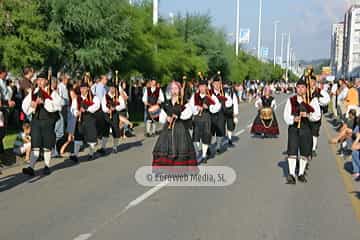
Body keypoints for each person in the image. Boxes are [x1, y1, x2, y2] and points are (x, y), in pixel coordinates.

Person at [22, 70, 63, 176]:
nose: (39, 82)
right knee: (35, 143)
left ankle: (46, 166)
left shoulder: (52, 93)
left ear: (46, 81)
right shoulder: (33, 92)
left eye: (42, 80)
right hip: (36, 121)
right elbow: (25, 106)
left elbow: (58, 105)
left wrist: (45, 102)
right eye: (38, 80)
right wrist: (32, 105)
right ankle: (31, 167)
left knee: (47, 145)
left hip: (48, 121)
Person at [283, 78, 321, 184]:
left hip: (306, 128)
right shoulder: (291, 100)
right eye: (298, 87)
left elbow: (317, 116)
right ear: (296, 88)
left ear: (306, 88)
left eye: (302, 87)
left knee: (304, 152)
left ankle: (300, 173)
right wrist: (293, 119)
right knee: (292, 150)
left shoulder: (311, 100)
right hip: (293, 129)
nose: (300, 89)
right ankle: (291, 174)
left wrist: (308, 115)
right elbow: (286, 115)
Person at [152, 81, 197, 166]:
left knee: (181, 149)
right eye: (172, 88)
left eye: (176, 88)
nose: (174, 90)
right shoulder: (167, 102)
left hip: (181, 129)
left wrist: (178, 115)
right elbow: (161, 116)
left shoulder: (184, 102)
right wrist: (166, 118)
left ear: (180, 90)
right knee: (165, 148)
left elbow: (188, 114)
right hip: (167, 129)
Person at [189, 80, 221, 163]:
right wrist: (196, 108)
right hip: (197, 118)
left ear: (207, 87)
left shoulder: (210, 96)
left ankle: (203, 155)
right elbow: (191, 105)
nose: (202, 88)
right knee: (195, 139)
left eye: (204, 86)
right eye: (201, 86)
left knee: (206, 137)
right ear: (198, 87)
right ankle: (196, 153)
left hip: (207, 118)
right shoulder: (194, 96)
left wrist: (209, 107)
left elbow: (217, 106)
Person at [70, 82, 101, 162]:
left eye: (84, 88)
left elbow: (97, 106)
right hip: (80, 120)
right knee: (77, 138)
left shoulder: (94, 97)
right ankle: (75, 155)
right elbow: (72, 108)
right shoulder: (77, 98)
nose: (82, 90)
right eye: (81, 88)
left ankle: (91, 154)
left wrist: (87, 109)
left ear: (88, 88)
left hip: (90, 119)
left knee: (91, 138)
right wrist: (76, 112)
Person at [309, 77, 330, 156]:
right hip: (306, 115)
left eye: (312, 81)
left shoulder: (319, 91)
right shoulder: (305, 90)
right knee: (307, 131)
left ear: (314, 82)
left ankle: (313, 148)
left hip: (316, 115)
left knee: (315, 132)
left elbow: (326, 100)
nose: (310, 83)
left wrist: (318, 98)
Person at [101, 85, 123, 153]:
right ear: (109, 88)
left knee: (115, 130)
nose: (112, 89)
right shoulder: (105, 96)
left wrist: (115, 108)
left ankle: (115, 147)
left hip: (115, 115)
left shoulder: (118, 97)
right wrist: (108, 110)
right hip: (106, 115)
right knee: (105, 131)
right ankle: (103, 147)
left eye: (114, 88)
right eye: (111, 88)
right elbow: (103, 106)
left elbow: (122, 106)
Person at [210, 76, 227, 154]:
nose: (217, 85)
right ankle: (208, 147)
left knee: (220, 130)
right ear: (213, 84)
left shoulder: (224, 92)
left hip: (221, 114)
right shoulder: (209, 93)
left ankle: (218, 146)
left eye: (218, 84)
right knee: (210, 131)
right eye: (215, 84)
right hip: (211, 115)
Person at [92, 75, 109, 155]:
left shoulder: (104, 87)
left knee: (105, 128)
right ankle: (98, 147)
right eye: (106, 79)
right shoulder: (100, 87)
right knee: (101, 128)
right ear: (102, 79)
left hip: (103, 108)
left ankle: (102, 147)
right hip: (100, 109)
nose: (107, 80)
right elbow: (101, 99)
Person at [223, 81, 239, 146]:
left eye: (228, 86)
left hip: (230, 111)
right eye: (226, 86)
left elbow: (235, 104)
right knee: (221, 126)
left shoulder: (233, 94)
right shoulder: (221, 93)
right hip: (223, 111)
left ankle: (229, 139)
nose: (227, 87)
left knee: (230, 126)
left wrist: (235, 114)